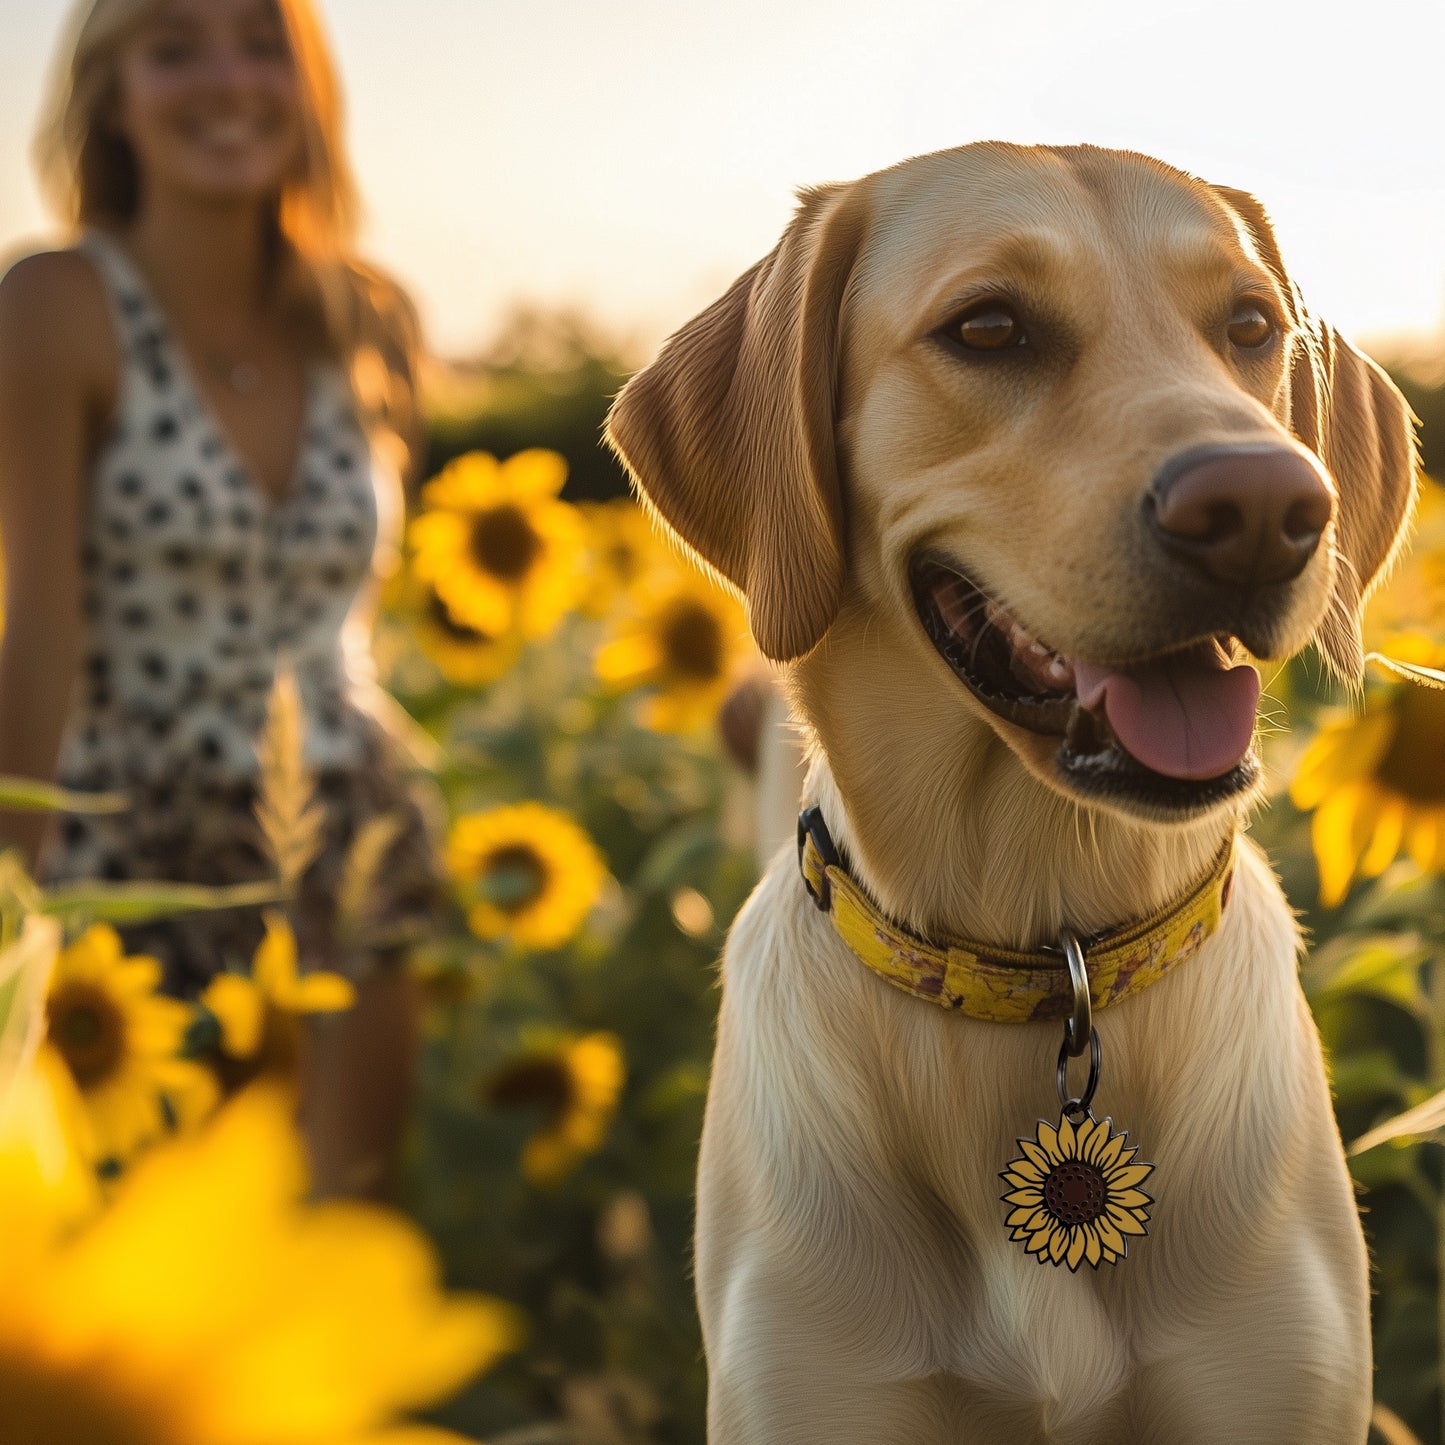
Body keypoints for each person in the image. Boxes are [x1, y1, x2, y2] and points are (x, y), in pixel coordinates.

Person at [0, 0, 440, 1196]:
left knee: (336, 1243)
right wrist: (7, 898)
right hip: (133, 842)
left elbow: (353, 601)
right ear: (111, 91)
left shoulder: (371, 317)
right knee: (125, 1273)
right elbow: (37, 622)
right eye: (173, 46)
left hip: (345, 836)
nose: (225, 81)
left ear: (306, 84)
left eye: (258, 42)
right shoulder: (54, 303)